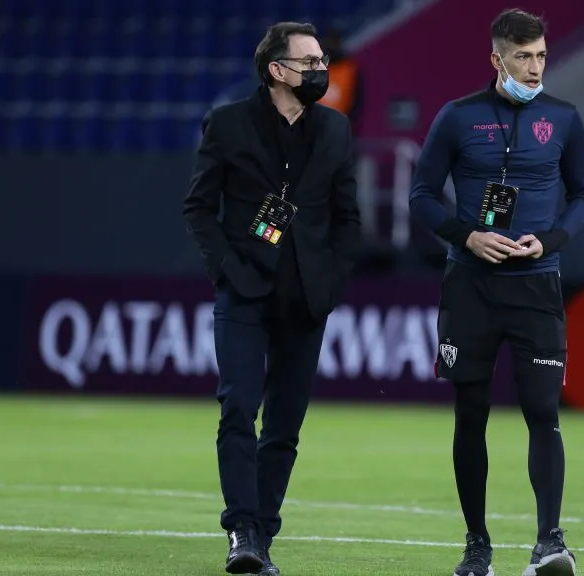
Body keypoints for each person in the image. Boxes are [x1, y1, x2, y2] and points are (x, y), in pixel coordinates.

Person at [408, 8, 584, 576]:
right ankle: (477, 546)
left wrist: (552, 240)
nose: (535, 68)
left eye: (540, 56)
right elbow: (421, 196)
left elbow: (583, 197)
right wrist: (468, 235)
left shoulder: (564, 118)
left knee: (543, 410)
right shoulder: (458, 117)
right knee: (471, 414)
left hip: (537, 284)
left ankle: (549, 543)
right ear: (497, 59)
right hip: (471, 286)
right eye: (522, 58)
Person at [182, 21, 361, 576]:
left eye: (322, 62)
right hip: (245, 291)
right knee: (238, 406)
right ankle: (241, 530)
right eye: (309, 62)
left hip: (306, 296)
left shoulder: (335, 129)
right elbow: (198, 207)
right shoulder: (230, 123)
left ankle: (261, 534)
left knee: (284, 425)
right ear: (276, 70)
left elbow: (347, 217)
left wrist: (331, 283)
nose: (320, 71)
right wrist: (227, 269)